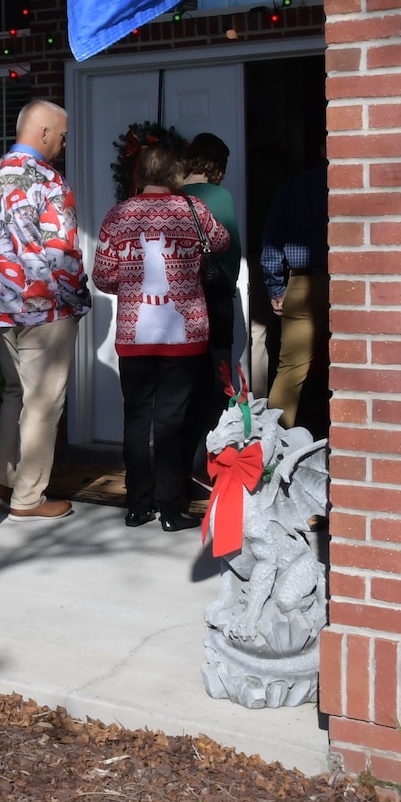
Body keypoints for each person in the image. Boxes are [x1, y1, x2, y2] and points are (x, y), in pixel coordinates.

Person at [0, 98, 85, 521]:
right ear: (45, 132)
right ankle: (28, 498)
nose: (63, 145)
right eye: (63, 136)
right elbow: (64, 250)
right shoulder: (49, 181)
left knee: (17, 393)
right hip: (43, 309)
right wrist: (76, 299)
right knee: (43, 402)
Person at [93, 143, 229, 530]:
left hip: (135, 334)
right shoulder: (193, 209)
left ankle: (137, 506)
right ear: (175, 175)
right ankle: (170, 509)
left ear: (139, 174)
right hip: (185, 333)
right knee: (173, 420)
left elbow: (102, 276)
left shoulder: (118, 215)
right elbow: (221, 243)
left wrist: (132, 283)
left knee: (136, 419)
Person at [260, 158, 328, 429]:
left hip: (302, 282)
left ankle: (274, 446)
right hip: (350, 285)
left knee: (290, 371)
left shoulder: (294, 187)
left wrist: (276, 287)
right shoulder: (356, 181)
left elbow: (271, 240)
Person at [180, 133, 245, 395]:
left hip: (180, 298)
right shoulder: (220, 197)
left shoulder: (173, 194)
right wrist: (228, 284)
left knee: (187, 375)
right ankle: (215, 431)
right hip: (212, 295)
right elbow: (232, 250)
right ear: (217, 164)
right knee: (219, 373)